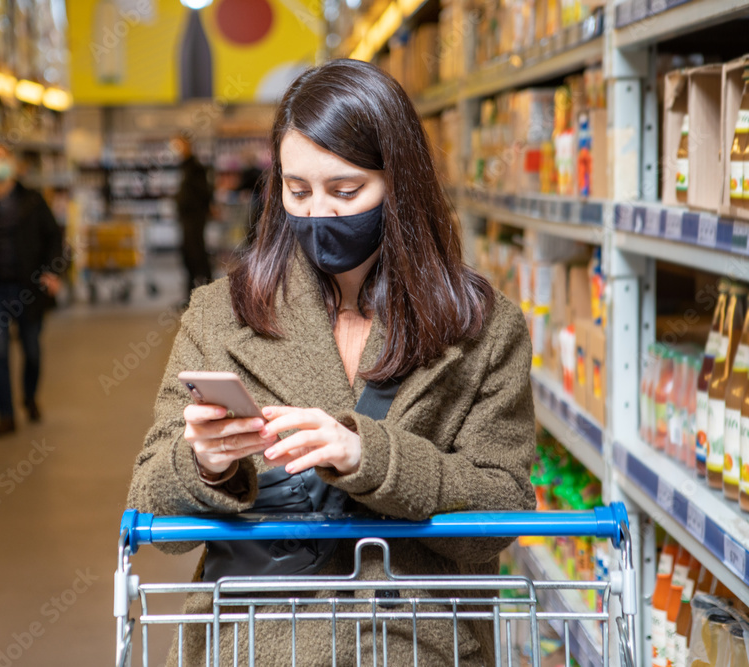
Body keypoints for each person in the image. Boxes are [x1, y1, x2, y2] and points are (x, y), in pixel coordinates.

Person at [127, 59, 536, 665]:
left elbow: (502, 510)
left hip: (415, 643)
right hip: (258, 641)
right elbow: (150, 503)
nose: (318, 212)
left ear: (400, 183)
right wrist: (206, 464)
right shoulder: (220, 315)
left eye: (346, 191)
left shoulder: (483, 328)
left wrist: (370, 457)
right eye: (298, 190)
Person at [0, 142, 65, 438]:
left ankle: (29, 397)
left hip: (27, 288)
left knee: (32, 350)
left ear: (12, 163)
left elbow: (54, 237)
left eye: (1, 158)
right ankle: (5, 416)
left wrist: (52, 270)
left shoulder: (32, 200)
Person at [172, 135, 213, 299]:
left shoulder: (195, 168)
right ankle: (190, 292)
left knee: (197, 253)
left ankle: (208, 290)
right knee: (188, 254)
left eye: (179, 144)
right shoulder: (184, 167)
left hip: (195, 218)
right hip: (187, 218)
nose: (176, 148)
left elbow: (204, 193)